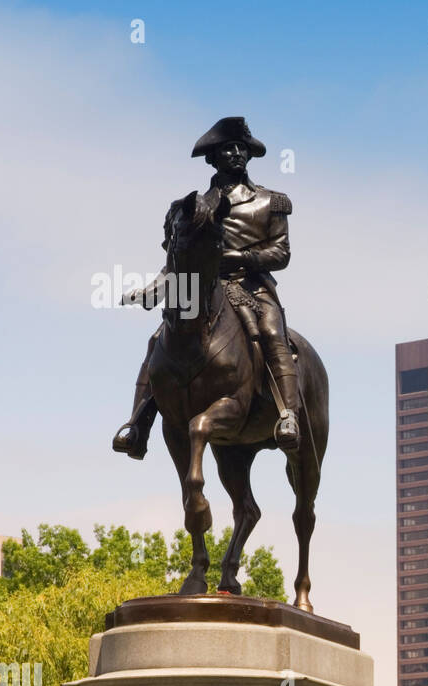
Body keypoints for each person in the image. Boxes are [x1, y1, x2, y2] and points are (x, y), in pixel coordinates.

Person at [113, 116, 300, 456]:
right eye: (227, 149)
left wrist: (241, 258)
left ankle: (288, 414)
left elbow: (281, 253)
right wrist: (155, 287)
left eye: (241, 149)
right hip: (197, 287)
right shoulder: (191, 207)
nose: (236, 154)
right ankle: (138, 423)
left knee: (273, 334)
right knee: (158, 340)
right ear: (212, 159)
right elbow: (175, 257)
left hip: (252, 286)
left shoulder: (271, 201)